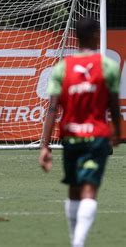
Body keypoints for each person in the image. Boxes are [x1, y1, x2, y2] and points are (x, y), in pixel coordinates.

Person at [39, 18, 121, 247]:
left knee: (75, 190)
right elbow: (113, 106)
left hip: (71, 137)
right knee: (89, 190)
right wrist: (117, 131)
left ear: (75, 36)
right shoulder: (108, 66)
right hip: (97, 137)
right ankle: (78, 242)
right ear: (96, 35)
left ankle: (77, 242)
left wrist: (44, 146)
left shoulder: (63, 68)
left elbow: (53, 109)